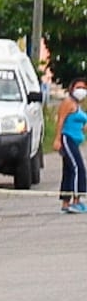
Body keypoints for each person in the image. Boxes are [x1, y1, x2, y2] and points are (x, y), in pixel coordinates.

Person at [54, 79, 87, 213]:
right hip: (67, 138)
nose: (82, 90)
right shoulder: (67, 102)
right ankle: (76, 201)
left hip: (75, 140)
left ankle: (65, 203)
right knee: (77, 168)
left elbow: (81, 125)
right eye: (78, 87)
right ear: (72, 88)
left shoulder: (77, 105)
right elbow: (61, 120)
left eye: (84, 87)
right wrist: (57, 139)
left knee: (68, 170)